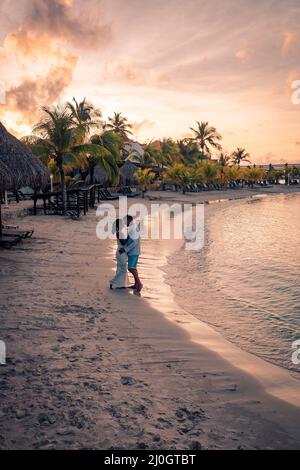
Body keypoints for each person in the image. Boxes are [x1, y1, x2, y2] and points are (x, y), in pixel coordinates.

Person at [119, 215, 143, 295]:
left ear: (129, 220)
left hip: (134, 251)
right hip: (133, 251)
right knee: (133, 267)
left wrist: (125, 249)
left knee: (131, 268)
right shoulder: (132, 228)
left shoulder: (133, 228)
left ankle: (139, 283)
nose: (125, 223)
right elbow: (129, 240)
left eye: (126, 221)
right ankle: (136, 284)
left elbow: (134, 243)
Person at [110, 219, 129, 289]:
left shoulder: (120, 232)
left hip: (121, 252)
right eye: (122, 224)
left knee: (120, 268)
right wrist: (129, 237)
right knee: (123, 269)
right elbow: (123, 242)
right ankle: (113, 281)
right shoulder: (119, 233)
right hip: (121, 252)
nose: (124, 225)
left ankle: (120, 284)